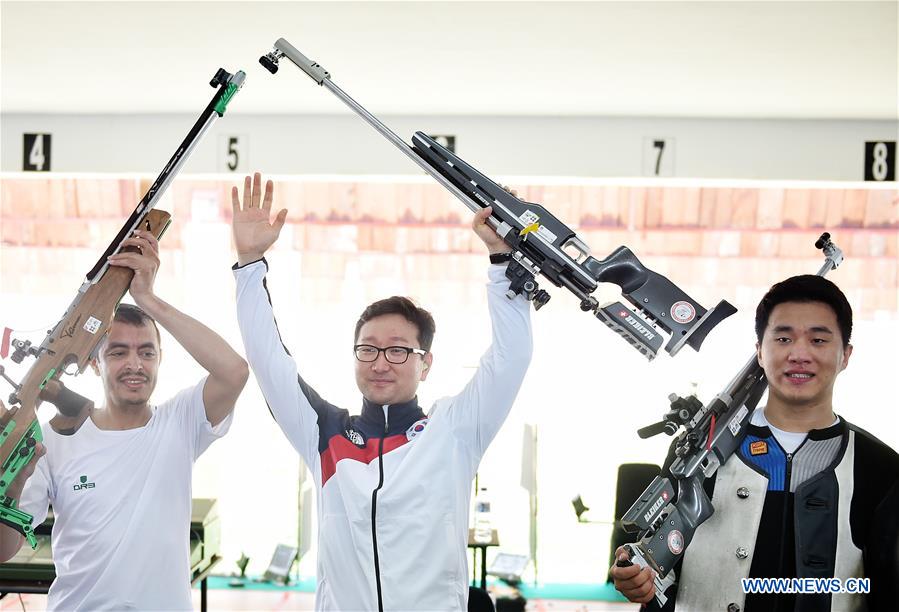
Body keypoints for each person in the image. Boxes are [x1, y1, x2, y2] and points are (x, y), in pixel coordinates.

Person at [231, 173, 533, 611]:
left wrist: (503, 260)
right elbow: (269, 361)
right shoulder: (324, 434)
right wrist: (249, 263)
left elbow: (511, 358)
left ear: (425, 363)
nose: (379, 363)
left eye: (397, 350)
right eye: (368, 349)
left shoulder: (453, 431)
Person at [610, 274, 899, 611]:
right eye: (783, 338)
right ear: (759, 352)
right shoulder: (699, 450)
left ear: (845, 355)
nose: (799, 354)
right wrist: (639, 576)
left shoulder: (879, 469)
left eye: (819, 340)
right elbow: (660, 575)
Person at [0, 229, 249, 610]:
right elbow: (4, 548)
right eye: (118, 352)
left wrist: (148, 298)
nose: (134, 364)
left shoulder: (179, 423)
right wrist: (11, 485)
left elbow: (234, 371)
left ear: (159, 359)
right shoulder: (52, 439)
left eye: (146, 352)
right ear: (95, 363)